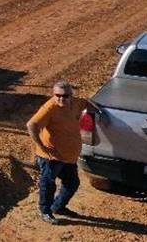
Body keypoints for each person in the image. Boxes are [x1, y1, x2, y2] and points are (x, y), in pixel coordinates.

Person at [26, 80, 96, 225]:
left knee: (72, 183)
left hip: (68, 156)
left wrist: (101, 112)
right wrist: (41, 146)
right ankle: (45, 211)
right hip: (51, 157)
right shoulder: (50, 108)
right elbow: (31, 124)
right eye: (57, 95)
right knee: (48, 183)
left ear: (71, 95)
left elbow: (87, 103)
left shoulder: (77, 102)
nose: (61, 99)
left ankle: (58, 207)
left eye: (65, 96)